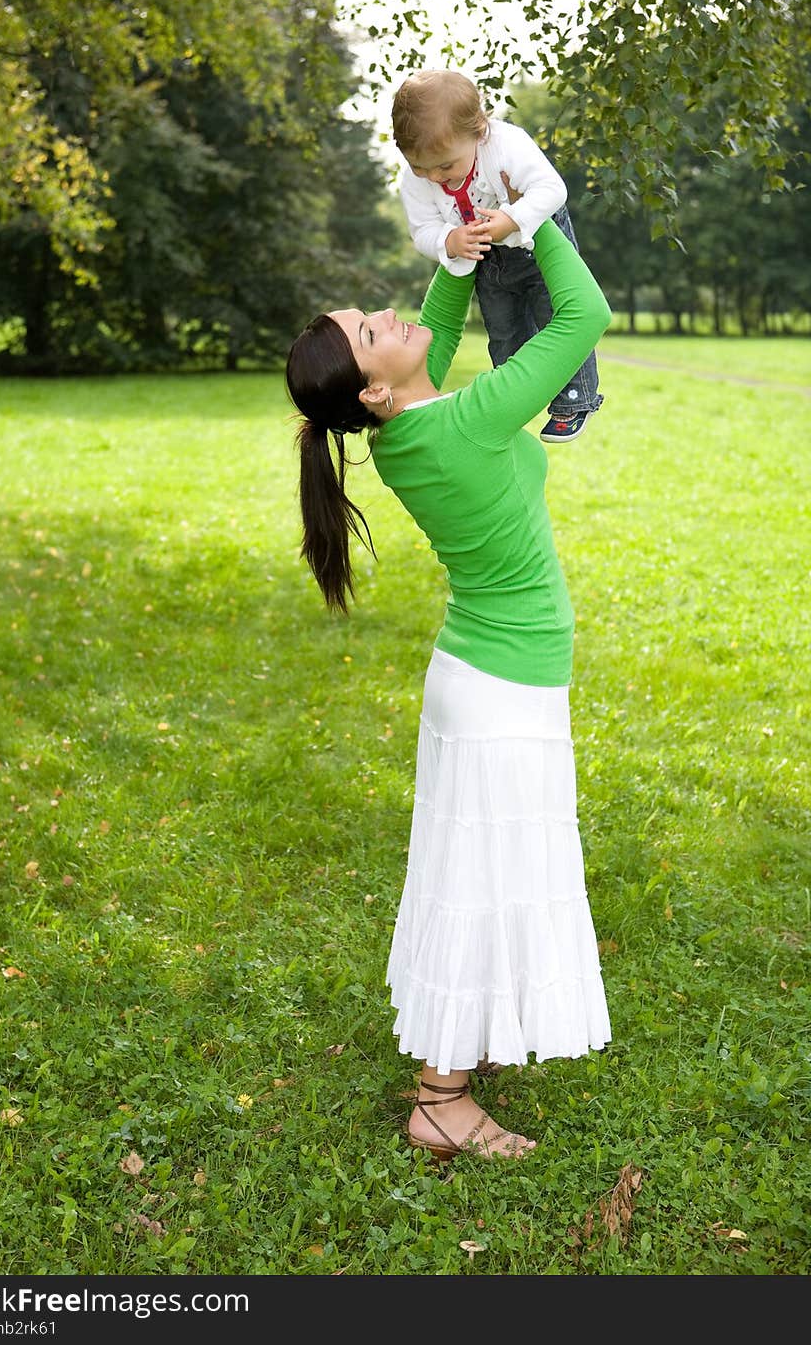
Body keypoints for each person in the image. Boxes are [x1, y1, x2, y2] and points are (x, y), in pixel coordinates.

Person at [285, 207, 613, 1161]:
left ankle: (455, 1059)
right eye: (369, 330)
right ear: (375, 388)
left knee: (482, 875)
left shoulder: (411, 428)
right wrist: (540, 214)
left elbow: (429, 322)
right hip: (501, 692)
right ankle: (439, 1100)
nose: (387, 313)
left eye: (371, 313)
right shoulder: (464, 420)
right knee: (484, 879)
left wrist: (462, 244)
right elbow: (583, 317)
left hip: (490, 680)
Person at [392, 67, 603, 443]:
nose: (436, 178)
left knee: (554, 312)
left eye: (446, 166)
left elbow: (552, 189)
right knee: (503, 333)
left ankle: (575, 398)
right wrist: (449, 239)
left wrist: (513, 217)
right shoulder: (417, 179)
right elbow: (421, 230)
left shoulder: (506, 145)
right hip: (486, 256)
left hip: (534, 237)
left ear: (479, 131)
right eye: (421, 167)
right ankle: (517, 400)